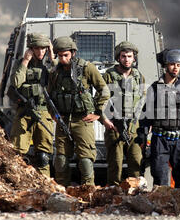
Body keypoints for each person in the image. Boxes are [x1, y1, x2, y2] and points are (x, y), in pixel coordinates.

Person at [47, 36, 110, 186]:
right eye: (60, 55)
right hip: (63, 120)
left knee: (86, 160)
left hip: (82, 120)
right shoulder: (55, 72)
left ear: (73, 53)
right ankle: (62, 193)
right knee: (61, 159)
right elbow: (49, 96)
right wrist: (54, 115)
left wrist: (97, 113)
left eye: (66, 55)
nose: (63, 59)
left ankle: (89, 191)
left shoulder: (87, 68)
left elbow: (104, 90)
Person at [139, 48, 180, 188]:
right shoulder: (154, 89)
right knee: (160, 177)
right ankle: (161, 209)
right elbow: (146, 115)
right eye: (172, 64)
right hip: (160, 139)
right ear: (165, 65)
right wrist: (142, 135)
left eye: (178, 65)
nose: (175, 68)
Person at [8, 33, 56, 178]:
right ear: (31, 49)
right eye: (37, 48)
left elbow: (58, 77)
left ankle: (46, 185)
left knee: (43, 156)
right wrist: (25, 61)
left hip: (43, 112)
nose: (40, 52)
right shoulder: (21, 63)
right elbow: (16, 83)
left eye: (43, 49)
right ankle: (17, 181)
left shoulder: (50, 65)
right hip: (24, 112)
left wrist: (52, 57)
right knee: (18, 153)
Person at [100, 41, 146, 186]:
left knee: (136, 162)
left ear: (134, 58)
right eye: (123, 56)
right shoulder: (109, 76)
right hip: (114, 126)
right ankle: (114, 197)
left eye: (130, 56)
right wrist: (105, 120)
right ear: (118, 58)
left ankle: (135, 196)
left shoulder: (139, 77)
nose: (127, 59)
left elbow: (143, 102)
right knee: (115, 166)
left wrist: (145, 125)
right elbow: (101, 101)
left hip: (134, 127)